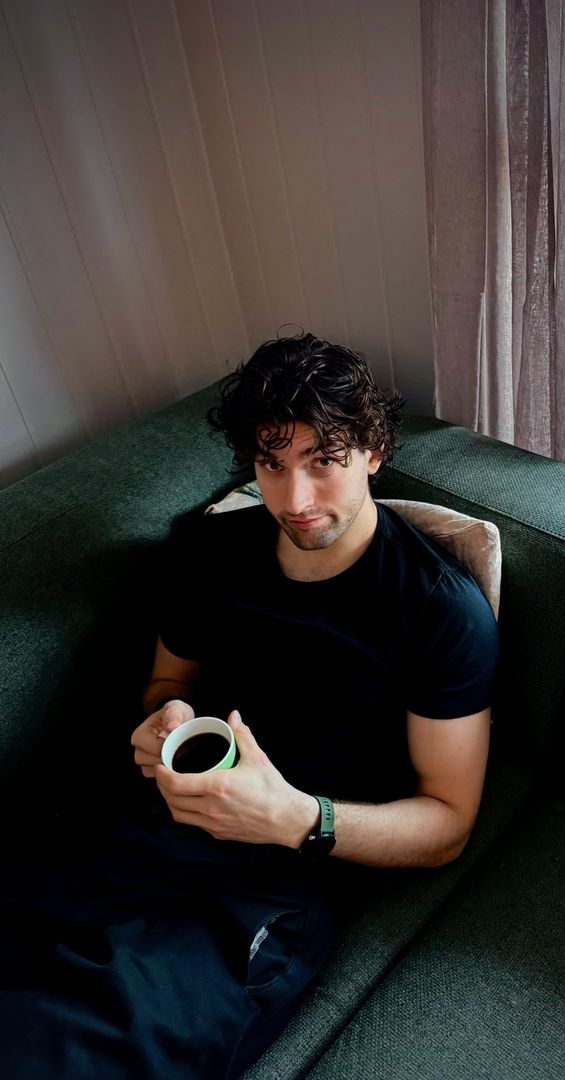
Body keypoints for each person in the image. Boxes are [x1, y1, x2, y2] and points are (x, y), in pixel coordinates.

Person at [3, 333, 499, 1079]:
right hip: (139, 825)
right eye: (272, 464)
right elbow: (166, 685)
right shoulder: (210, 551)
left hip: (267, 886)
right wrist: (164, 719)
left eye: (323, 462)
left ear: (373, 452)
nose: (295, 501)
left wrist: (298, 818)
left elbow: (447, 825)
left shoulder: (439, 612)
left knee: (66, 1052)